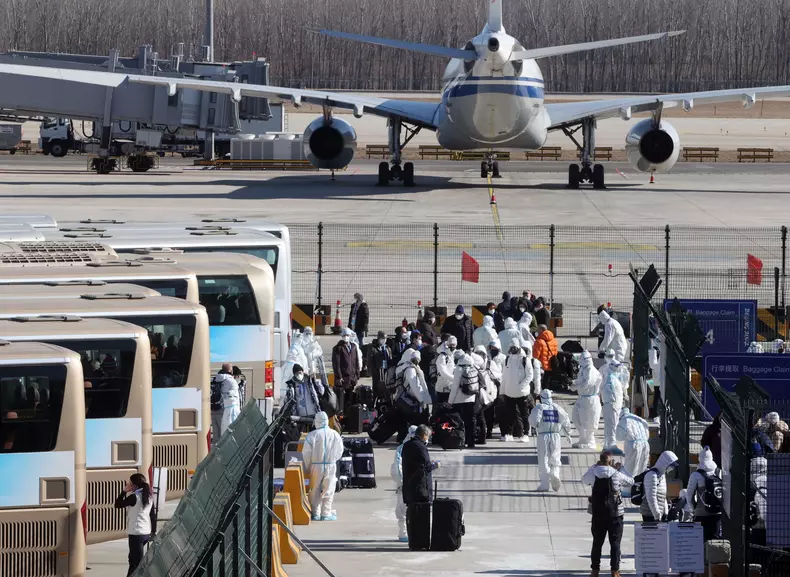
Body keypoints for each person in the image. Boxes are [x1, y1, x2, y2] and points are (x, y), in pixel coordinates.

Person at [582, 451, 634, 577]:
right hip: (615, 513)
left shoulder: (594, 473)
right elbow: (631, 481)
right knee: (615, 543)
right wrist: (621, 468)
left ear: (600, 461)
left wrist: (594, 467)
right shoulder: (616, 474)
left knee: (597, 543)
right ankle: (614, 570)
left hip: (598, 513)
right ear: (611, 462)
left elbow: (584, 480)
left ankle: (595, 570)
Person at [401, 424, 441, 548]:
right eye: (427, 436)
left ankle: (413, 541)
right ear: (424, 435)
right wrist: (436, 465)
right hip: (420, 488)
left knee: (412, 514)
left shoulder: (407, 445)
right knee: (421, 516)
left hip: (409, 485)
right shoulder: (420, 447)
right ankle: (421, 541)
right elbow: (425, 466)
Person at [302, 411, 344, 521]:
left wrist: (307, 466)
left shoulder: (312, 435)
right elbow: (340, 451)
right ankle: (326, 513)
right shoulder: (335, 434)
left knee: (314, 489)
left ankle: (315, 513)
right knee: (329, 488)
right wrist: (333, 459)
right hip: (330, 465)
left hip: (316, 466)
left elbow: (306, 453)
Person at [530, 389, 571, 491]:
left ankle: (544, 484)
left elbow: (534, 422)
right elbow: (566, 420)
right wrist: (567, 434)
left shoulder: (539, 408)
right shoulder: (557, 408)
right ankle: (555, 473)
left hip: (543, 436)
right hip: (556, 436)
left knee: (543, 459)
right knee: (555, 457)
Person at [114, 473, 153, 576]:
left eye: (129, 483)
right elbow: (152, 515)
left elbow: (117, 504)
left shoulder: (134, 497)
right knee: (135, 560)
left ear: (134, 485)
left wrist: (123, 491)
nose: (128, 484)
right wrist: (153, 532)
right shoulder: (149, 496)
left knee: (135, 563)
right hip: (145, 532)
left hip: (136, 533)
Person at [684, 446, 722, 540]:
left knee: (700, 542)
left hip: (701, 513)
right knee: (714, 541)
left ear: (700, 459)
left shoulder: (696, 475)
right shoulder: (718, 472)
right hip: (717, 512)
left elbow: (689, 495)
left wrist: (693, 509)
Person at [394, 349, 432, 438]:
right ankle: (416, 437)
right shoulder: (410, 369)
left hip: (402, 397)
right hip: (411, 398)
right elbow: (415, 385)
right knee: (414, 419)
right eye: (415, 360)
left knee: (403, 418)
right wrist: (422, 399)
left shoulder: (401, 366)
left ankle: (402, 436)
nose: (417, 362)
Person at [391, 425, 419, 541]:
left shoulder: (416, 446)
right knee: (402, 509)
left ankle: (411, 531)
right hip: (405, 483)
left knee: (413, 509)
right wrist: (402, 481)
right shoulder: (403, 448)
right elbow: (397, 467)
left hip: (413, 483)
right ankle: (403, 532)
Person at [571, 351, 603, 450]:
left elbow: (587, 384)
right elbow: (581, 380)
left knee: (589, 421)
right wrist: (572, 382)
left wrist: (575, 386)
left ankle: (590, 441)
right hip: (582, 397)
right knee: (576, 418)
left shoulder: (591, 370)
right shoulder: (583, 369)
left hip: (590, 399)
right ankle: (582, 439)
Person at [501, 344, 532, 442]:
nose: (513, 350)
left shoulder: (525, 360)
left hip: (522, 393)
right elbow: (504, 377)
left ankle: (526, 433)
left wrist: (521, 386)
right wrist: (502, 391)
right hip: (509, 392)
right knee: (509, 414)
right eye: (511, 348)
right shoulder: (507, 359)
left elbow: (530, 375)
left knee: (524, 414)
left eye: (515, 348)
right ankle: (508, 433)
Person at [449, 352, 480, 449]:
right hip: (471, 397)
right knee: (471, 420)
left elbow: (455, 387)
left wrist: (450, 401)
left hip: (459, 398)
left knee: (460, 421)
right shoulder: (473, 367)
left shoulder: (459, 369)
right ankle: (471, 442)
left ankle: (461, 440)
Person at [641, 450, 679, 521]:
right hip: (650, 514)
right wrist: (657, 515)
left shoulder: (662, 475)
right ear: (665, 463)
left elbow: (663, 496)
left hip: (659, 514)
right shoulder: (652, 475)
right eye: (671, 465)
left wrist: (665, 513)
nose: (672, 468)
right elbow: (651, 497)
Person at [332, 328, 361, 414]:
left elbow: (356, 361)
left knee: (350, 398)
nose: (346, 337)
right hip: (343, 378)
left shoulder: (354, 347)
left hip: (352, 377)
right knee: (342, 400)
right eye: (344, 335)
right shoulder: (338, 348)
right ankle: (341, 415)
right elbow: (336, 364)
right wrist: (339, 376)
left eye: (347, 335)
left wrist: (357, 374)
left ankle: (349, 415)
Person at [601, 356, 627, 453]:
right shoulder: (610, 378)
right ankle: (611, 444)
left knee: (610, 425)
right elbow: (608, 391)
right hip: (612, 405)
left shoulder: (612, 376)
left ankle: (607, 444)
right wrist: (612, 401)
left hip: (612, 405)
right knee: (612, 425)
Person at [616, 408, 650, 476]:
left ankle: (631, 485)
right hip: (645, 444)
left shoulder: (624, 420)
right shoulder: (639, 419)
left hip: (633, 445)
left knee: (630, 470)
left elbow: (619, 437)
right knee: (642, 468)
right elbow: (647, 433)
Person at [213, 362, 241, 435]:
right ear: (230, 370)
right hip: (232, 409)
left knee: (221, 431)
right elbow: (235, 398)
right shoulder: (231, 381)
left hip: (222, 408)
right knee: (233, 430)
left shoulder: (217, 379)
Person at [210, 365, 233, 442]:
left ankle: (215, 445)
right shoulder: (225, 382)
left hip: (212, 408)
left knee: (215, 429)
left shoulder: (213, 380)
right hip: (221, 409)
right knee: (222, 429)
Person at [368, 331, 394, 401]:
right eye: (382, 339)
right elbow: (370, 360)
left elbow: (390, 357)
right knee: (377, 386)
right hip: (377, 370)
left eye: (385, 339)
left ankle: (385, 399)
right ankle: (376, 400)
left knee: (386, 386)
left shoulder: (387, 348)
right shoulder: (373, 347)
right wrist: (371, 369)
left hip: (386, 370)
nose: (384, 340)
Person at [433, 335, 457, 403]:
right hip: (442, 388)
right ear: (447, 344)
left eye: (454, 345)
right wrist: (456, 379)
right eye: (451, 344)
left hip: (451, 387)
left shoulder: (453, 355)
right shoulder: (442, 356)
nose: (452, 346)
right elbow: (443, 373)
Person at [533, 325, 558, 390]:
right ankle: (547, 393)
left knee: (541, 382)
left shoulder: (539, 341)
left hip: (542, 366)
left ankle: (542, 395)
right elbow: (555, 352)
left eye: (537, 329)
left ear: (541, 330)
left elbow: (536, 355)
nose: (536, 331)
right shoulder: (553, 339)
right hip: (551, 363)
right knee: (548, 380)